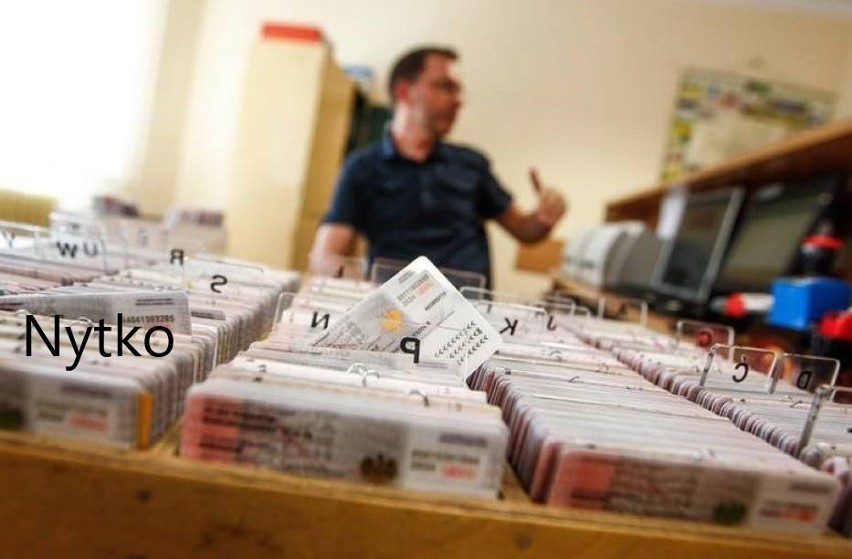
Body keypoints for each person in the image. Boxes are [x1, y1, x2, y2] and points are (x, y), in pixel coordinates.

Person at [310, 46, 567, 287]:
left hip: (469, 315)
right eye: (446, 87)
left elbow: (524, 230)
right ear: (404, 92)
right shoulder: (362, 167)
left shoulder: (472, 164)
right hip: (398, 317)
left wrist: (542, 219)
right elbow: (326, 255)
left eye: (459, 91)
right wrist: (370, 290)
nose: (458, 100)